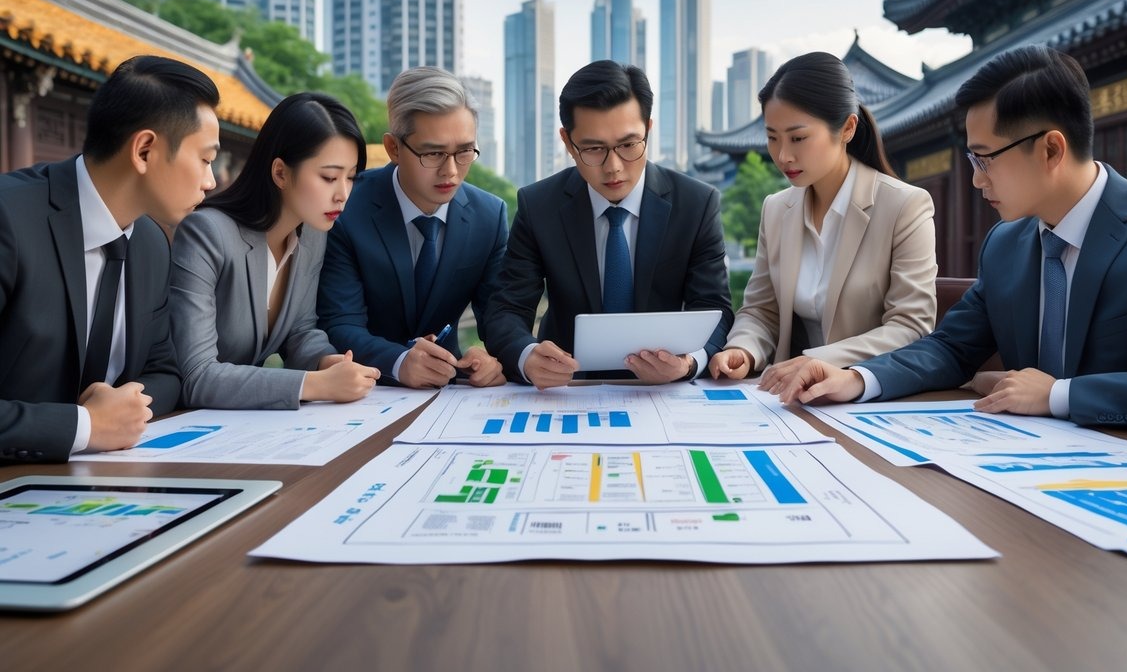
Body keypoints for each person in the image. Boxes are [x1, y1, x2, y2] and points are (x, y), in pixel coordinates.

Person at [769, 45, 1127, 433]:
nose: (976, 181)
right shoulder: (1007, 244)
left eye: (983, 159)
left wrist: (1062, 395)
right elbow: (951, 348)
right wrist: (858, 379)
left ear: (1051, 150)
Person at [0, 55, 221, 463]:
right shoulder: (10, 219)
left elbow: (166, 371)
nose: (211, 181)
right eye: (206, 159)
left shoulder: (152, 243)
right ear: (145, 150)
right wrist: (85, 426)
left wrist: (126, 408)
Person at [484, 60, 734, 389]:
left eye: (629, 145)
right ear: (567, 141)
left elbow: (714, 307)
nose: (613, 167)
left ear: (649, 128)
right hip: (567, 388)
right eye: (593, 148)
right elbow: (508, 308)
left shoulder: (696, 204)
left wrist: (688, 364)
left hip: (663, 390)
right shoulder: (539, 206)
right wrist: (526, 356)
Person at [709, 52, 937, 389]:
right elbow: (761, 311)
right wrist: (743, 349)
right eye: (772, 138)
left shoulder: (904, 205)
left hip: (867, 396)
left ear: (846, 128)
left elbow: (911, 326)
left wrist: (822, 359)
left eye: (798, 138)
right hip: (790, 398)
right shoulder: (776, 209)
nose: (783, 155)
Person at [170, 92, 381, 409]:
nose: (342, 194)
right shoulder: (207, 234)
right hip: (176, 423)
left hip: (245, 425)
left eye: (350, 178)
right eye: (328, 177)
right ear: (280, 172)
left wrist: (326, 362)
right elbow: (196, 376)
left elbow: (299, 331)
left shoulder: (312, 234)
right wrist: (314, 384)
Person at [318, 67, 508, 389]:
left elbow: (499, 317)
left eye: (464, 152)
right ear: (393, 148)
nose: (451, 171)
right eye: (433, 153)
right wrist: (400, 361)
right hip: (363, 389)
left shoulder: (489, 216)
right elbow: (340, 323)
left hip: (448, 388)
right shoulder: (347, 207)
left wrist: (496, 358)